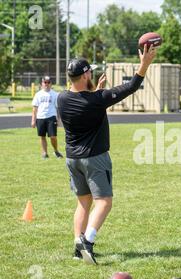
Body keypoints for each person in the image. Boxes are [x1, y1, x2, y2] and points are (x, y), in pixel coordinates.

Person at [57, 45, 157, 265]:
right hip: (94, 158)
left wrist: (96, 93)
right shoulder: (98, 100)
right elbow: (131, 86)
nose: (90, 73)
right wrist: (144, 64)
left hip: (72, 158)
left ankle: (77, 246)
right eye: (88, 71)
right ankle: (88, 242)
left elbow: (84, 100)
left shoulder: (62, 99)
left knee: (83, 203)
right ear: (85, 74)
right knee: (104, 202)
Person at [31, 76, 63, 159]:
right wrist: (33, 120)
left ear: (51, 84)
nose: (47, 84)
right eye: (45, 82)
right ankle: (44, 153)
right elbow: (34, 108)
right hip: (40, 117)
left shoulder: (55, 94)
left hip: (51, 117)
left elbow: (57, 108)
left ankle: (56, 151)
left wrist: (58, 119)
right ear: (42, 83)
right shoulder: (38, 94)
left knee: (53, 137)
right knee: (42, 136)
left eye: (48, 82)